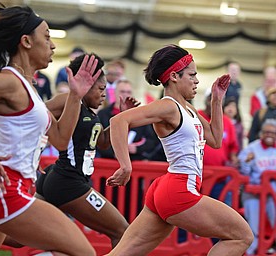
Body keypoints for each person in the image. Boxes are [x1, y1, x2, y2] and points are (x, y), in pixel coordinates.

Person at [0, 1, 102, 255]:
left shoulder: (28, 87)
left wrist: (75, 97)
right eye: (46, 37)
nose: (53, 45)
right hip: (4, 186)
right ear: (25, 41)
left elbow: (58, 139)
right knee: (84, 253)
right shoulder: (7, 82)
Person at [104, 44, 253, 256]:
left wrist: (217, 99)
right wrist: (125, 166)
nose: (197, 80)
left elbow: (215, 139)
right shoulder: (168, 106)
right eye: (192, 75)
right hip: (178, 189)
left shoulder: (187, 107)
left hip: (167, 188)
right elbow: (119, 120)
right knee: (242, 236)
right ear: (174, 76)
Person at [35, 54, 139, 248]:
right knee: (122, 231)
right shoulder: (67, 100)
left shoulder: (90, 111)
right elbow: (33, 115)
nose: (104, 95)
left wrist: (125, 117)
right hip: (68, 180)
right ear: (85, 86)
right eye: (100, 89)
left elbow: (103, 143)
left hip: (64, 179)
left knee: (23, 237)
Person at [238, 119, 276, 256]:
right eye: (266, 132)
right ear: (261, 134)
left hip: (273, 195)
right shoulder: (251, 148)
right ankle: (250, 252)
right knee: (253, 226)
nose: (269, 135)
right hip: (253, 193)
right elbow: (243, 173)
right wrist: (247, 162)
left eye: (273, 133)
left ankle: (270, 247)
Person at [97, 79, 158, 161]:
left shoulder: (139, 115)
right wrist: (114, 152)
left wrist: (137, 148)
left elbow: (151, 140)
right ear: (115, 92)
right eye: (122, 91)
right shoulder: (103, 114)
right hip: (108, 161)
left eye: (128, 92)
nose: (125, 95)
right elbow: (97, 140)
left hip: (134, 161)